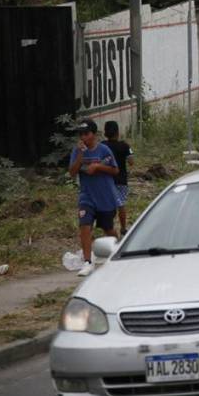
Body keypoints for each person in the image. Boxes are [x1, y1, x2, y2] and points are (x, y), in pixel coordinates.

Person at [68, 118, 120, 277]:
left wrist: (98, 166)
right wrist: (80, 156)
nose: (83, 137)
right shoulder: (77, 151)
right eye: (81, 134)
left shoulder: (104, 150)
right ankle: (87, 261)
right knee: (85, 226)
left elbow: (115, 170)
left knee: (108, 229)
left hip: (105, 197)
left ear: (93, 134)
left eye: (86, 133)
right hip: (87, 196)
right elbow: (72, 173)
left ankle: (119, 251)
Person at [101, 121, 133, 238]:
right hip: (121, 180)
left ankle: (109, 228)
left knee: (108, 205)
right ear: (118, 132)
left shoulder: (102, 145)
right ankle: (123, 228)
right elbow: (131, 162)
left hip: (106, 180)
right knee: (121, 205)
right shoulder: (124, 146)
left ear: (105, 133)